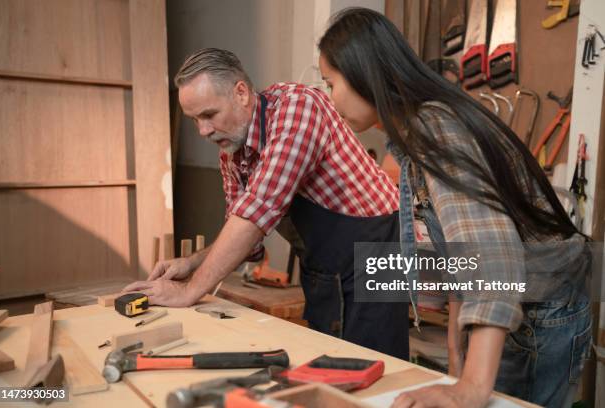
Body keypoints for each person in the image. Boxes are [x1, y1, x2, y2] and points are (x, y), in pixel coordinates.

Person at [318, 8, 592, 408]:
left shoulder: (436, 128)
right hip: (523, 302)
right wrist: (455, 345)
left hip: (541, 309)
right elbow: (461, 248)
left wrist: (472, 387)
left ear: (363, 72)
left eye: (330, 84)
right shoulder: (416, 130)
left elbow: (494, 258)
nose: (330, 99)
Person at [123, 48, 410, 359]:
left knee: (377, 367)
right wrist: (191, 264)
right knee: (328, 364)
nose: (203, 131)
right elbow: (247, 241)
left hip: (380, 249)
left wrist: (190, 290)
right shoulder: (232, 150)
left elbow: (257, 211)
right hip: (326, 264)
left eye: (208, 115)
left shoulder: (298, 109)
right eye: (195, 120)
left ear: (242, 93)